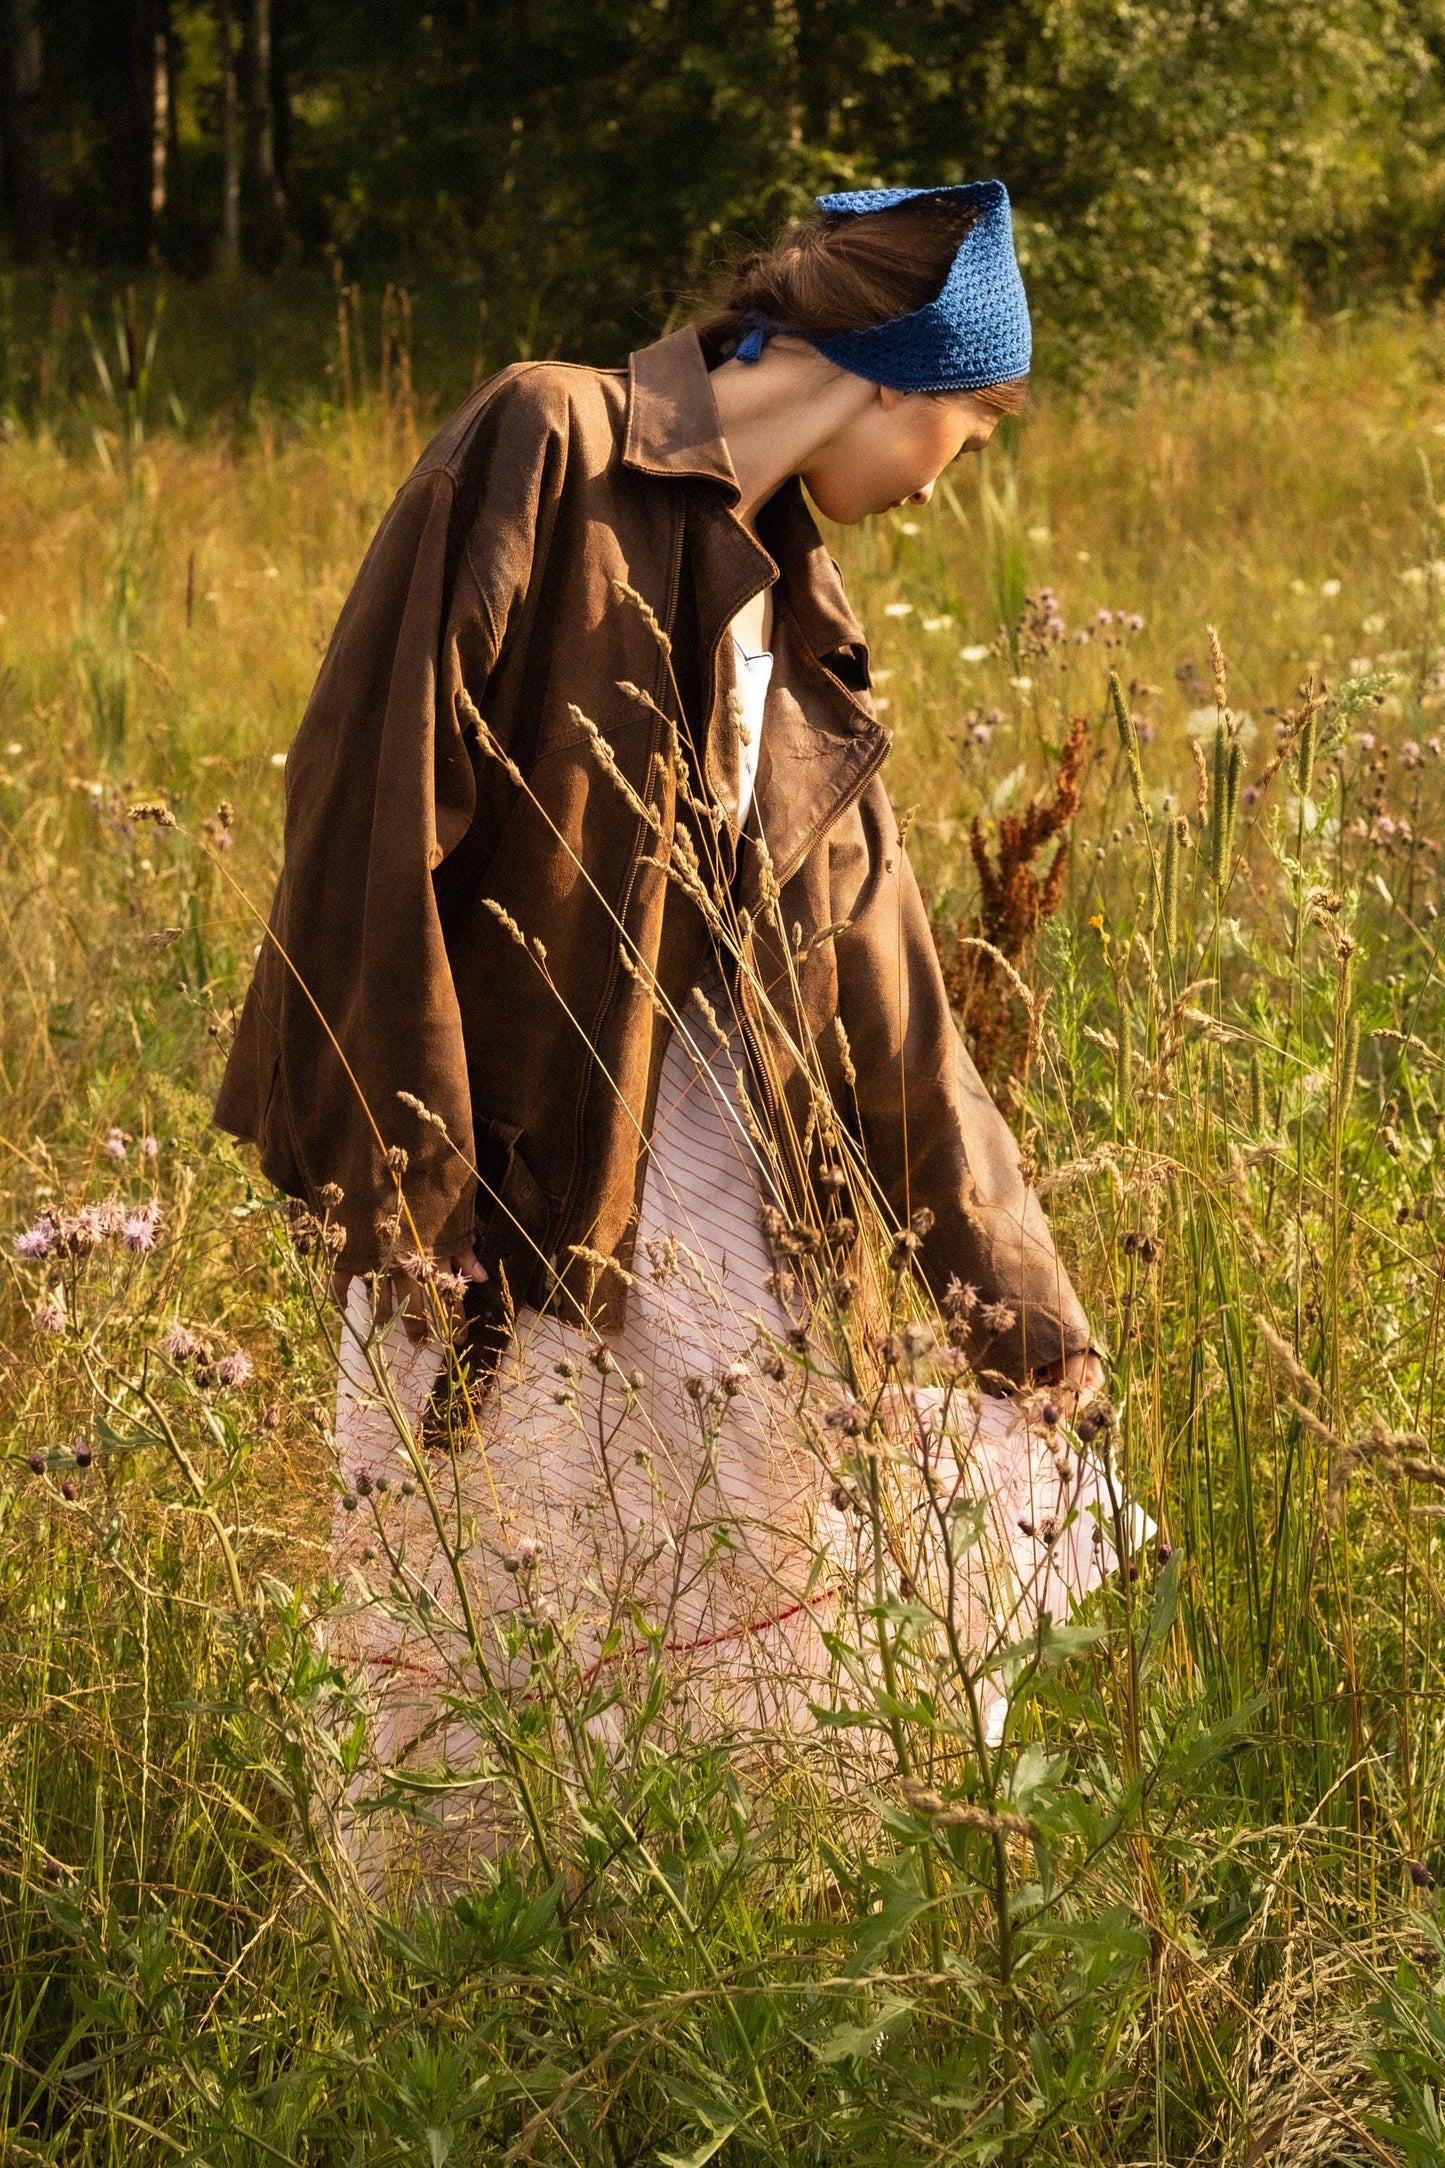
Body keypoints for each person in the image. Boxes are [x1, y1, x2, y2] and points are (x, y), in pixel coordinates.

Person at [216, 180, 1110, 1806]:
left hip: (710, 1200)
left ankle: (670, 1996)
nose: (945, 487)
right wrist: (416, 1190)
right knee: (480, 1612)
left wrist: (1030, 1324)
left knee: (715, 1598)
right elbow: (370, 801)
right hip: (508, 1181)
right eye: (969, 440)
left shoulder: (790, 604)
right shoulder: (550, 438)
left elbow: (883, 987)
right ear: (899, 377)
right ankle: (459, 2004)